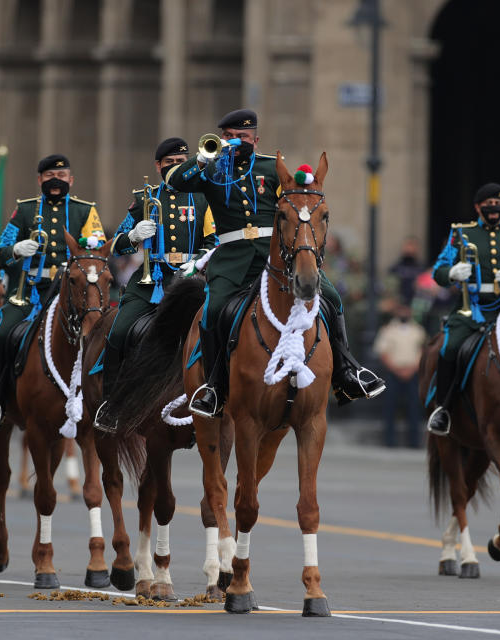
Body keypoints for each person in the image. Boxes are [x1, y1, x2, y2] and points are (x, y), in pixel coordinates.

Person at [165, 108, 385, 418]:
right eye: (229, 137)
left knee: (332, 298)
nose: (236, 142)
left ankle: (347, 371)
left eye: (243, 137)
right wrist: (203, 158)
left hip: (276, 259)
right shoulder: (210, 172)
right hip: (232, 260)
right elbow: (174, 181)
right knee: (213, 310)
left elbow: (294, 206)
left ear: (256, 139)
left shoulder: (272, 169)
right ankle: (215, 386)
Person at [93, 137, 214, 430]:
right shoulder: (144, 197)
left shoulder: (202, 198)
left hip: (190, 280)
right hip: (152, 279)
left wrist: (197, 261)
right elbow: (115, 246)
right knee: (119, 331)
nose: (176, 168)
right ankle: (111, 404)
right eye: (170, 163)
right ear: (158, 166)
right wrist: (133, 236)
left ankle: (214, 395)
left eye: (181, 163)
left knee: (220, 328)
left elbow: (214, 239)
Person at [0, 154, 104, 428]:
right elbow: (0, 253)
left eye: (61, 176)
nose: (55, 181)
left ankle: (107, 401)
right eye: (49, 176)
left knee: (105, 332)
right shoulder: (24, 210)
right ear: (39, 180)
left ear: (71, 180)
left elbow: (98, 249)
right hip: (32, 290)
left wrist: (89, 247)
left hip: (73, 291)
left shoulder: (85, 211)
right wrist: (16, 249)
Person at [426, 183, 500, 435]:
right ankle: (442, 408)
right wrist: (452, 272)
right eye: (488, 205)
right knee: (449, 348)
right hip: (471, 308)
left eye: (499, 204)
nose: (494, 209)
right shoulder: (461, 233)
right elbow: (438, 271)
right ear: (478, 207)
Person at [374, 302, 426, 447]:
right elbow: (383, 352)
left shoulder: (418, 330)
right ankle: (389, 441)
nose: (404, 313)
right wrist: (396, 369)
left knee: (414, 407)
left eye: (406, 310)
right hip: (393, 373)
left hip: (413, 372)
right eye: (401, 309)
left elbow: (422, 350)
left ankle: (414, 442)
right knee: (390, 407)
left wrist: (412, 369)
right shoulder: (388, 329)